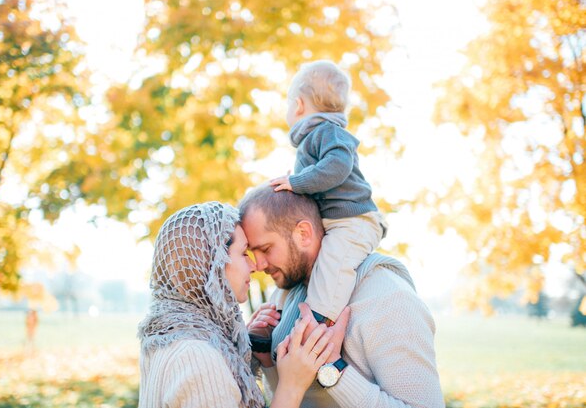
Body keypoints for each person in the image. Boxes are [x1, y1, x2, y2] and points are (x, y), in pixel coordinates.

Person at [240, 186, 445, 408]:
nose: (258, 265)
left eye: (266, 249)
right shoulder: (284, 294)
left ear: (303, 234)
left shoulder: (389, 299)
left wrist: (332, 369)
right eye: (252, 252)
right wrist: (267, 358)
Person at [137, 202, 348, 408]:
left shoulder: (168, 336)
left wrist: (241, 350)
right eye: (243, 252)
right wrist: (291, 386)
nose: (254, 265)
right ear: (214, 265)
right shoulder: (198, 357)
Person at [269, 60, 386, 327]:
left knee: (333, 265)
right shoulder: (315, 138)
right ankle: (276, 315)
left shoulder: (329, 132)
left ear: (298, 105)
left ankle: (319, 322)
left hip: (352, 221)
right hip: (335, 222)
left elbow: (337, 168)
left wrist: (298, 182)